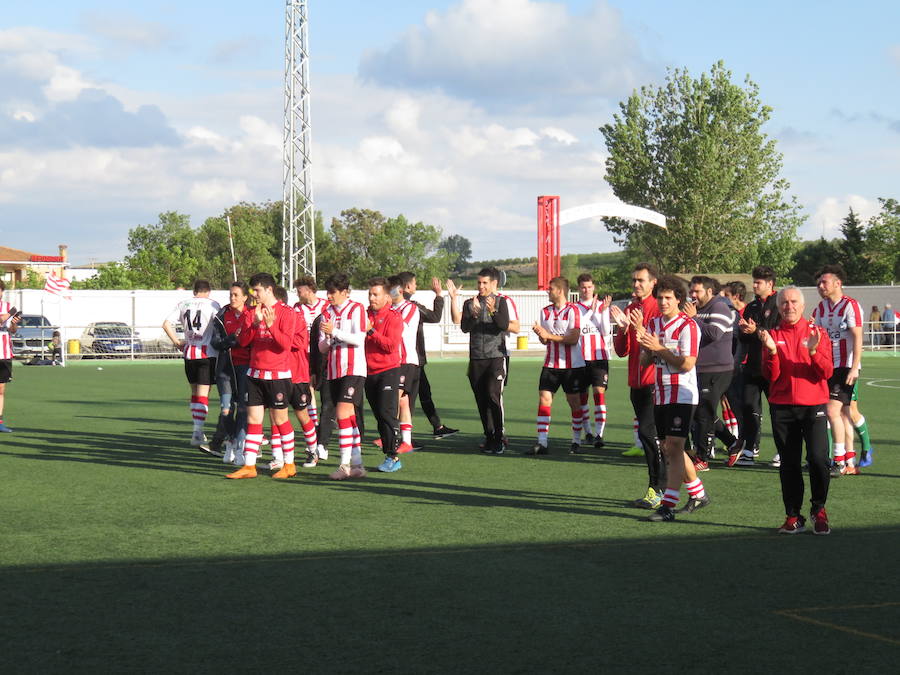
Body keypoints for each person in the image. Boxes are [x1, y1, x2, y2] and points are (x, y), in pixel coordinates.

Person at [759, 286, 834, 534]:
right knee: (789, 464)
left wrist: (813, 351)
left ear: (802, 306)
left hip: (813, 407)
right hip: (782, 408)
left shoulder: (817, 332)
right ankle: (793, 515)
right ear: (778, 307)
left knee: (819, 459)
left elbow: (826, 372)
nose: (789, 306)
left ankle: (818, 509)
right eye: (784, 303)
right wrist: (771, 351)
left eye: (793, 302)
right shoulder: (772, 335)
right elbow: (771, 375)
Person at [636, 275, 707, 522]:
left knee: (674, 448)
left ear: (679, 299)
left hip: (683, 395)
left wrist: (658, 348)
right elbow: (646, 361)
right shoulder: (653, 324)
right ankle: (698, 494)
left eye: (668, 298)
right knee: (670, 447)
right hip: (660, 393)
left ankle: (668, 505)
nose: (663, 302)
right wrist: (645, 347)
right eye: (660, 297)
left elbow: (687, 364)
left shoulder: (688, 326)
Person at [225, 274, 297, 479]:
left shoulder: (287, 313)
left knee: (280, 418)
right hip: (254, 373)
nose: (253, 295)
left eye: (257, 291)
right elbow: (244, 341)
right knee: (253, 418)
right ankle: (249, 466)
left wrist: (271, 325)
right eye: (252, 291)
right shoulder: (252, 313)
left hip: (278, 375)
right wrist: (255, 324)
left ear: (269, 290)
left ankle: (289, 464)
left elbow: (285, 345)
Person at [609, 263, 664, 509]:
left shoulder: (657, 309)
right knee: (651, 436)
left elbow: (654, 346)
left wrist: (639, 327)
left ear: (653, 283)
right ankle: (675, 488)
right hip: (636, 382)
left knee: (649, 434)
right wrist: (621, 329)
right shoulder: (631, 308)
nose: (636, 284)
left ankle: (658, 489)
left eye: (641, 280)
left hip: (655, 382)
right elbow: (622, 351)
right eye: (634, 280)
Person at [451, 267, 513, 454]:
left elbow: (503, 325)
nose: (481, 286)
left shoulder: (501, 302)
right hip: (476, 357)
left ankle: (499, 438)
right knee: (481, 400)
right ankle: (488, 435)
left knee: (494, 397)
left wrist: (493, 311)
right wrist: (475, 315)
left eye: (485, 283)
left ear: (493, 283)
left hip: (495, 357)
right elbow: (464, 327)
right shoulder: (470, 303)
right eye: (479, 282)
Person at [812, 265, 864, 476]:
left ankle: (839, 461)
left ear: (837, 283)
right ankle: (848, 461)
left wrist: (854, 367)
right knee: (841, 414)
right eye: (819, 283)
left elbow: (858, 337)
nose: (820, 286)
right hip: (826, 366)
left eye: (824, 282)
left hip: (844, 367)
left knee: (832, 411)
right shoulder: (820, 308)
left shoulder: (850, 306)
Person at [529, 276, 587, 455]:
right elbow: (545, 341)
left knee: (574, 403)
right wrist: (540, 334)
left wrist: (549, 335)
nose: (548, 291)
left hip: (573, 366)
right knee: (544, 399)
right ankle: (542, 442)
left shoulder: (573, 311)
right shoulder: (544, 312)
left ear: (560, 291)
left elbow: (573, 338)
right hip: (550, 364)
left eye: (551, 288)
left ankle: (576, 441)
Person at [683, 275, 736, 470]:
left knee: (704, 412)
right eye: (691, 291)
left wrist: (694, 318)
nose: (693, 295)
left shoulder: (719, 307)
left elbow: (714, 334)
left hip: (718, 369)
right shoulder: (696, 310)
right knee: (699, 412)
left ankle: (702, 458)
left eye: (697, 291)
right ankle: (733, 442)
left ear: (709, 291)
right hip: (698, 368)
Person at [318, 273, 368, 480]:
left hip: (353, 368)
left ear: (344, 292)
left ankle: (344, 465)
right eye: (327, 292)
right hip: (334, 369)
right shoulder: (326, 313)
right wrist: (329, 338)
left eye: (333, 292)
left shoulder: (357, 309)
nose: (329, 296)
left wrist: (335, 332)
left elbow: (359, 339)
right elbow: (322, 347)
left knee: (342, 412)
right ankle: (357, 465)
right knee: (348, 417)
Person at [398, 272, 458, 440]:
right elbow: (434, 317)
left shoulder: (395, 305)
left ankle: (437, 426)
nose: (416, 286)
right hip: (411, 359)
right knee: (408, 398)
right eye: (415, 283)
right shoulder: (410, 306)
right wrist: (438, 295)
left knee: (424, 392)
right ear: (408, 286)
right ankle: (402, 437)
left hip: (410, 358)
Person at [162, 280, 221, 449]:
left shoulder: (183, 304)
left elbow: (166, 324)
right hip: (207, 353)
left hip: (189, 353)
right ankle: (198, 431)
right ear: (208, 291)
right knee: (203, 394)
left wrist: (176, 342)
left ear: (194, 291)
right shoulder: (213, 304)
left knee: (195, 393)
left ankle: (197, 430)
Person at [731, 266, 780, 467]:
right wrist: (744, 331)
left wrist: (756, 329)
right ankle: (750, 450)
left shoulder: (780, 303)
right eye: (755, 281)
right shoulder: (751, 307)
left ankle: (782, 451)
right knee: (750, 408)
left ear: (770, 284)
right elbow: (745, 337)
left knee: (778, 411)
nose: (755, 285)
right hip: (752, 366)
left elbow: (776, 333)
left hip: (773, 365)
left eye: (758, 282)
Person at [364, 277, 406, 472]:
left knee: (386, 413)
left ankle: (393, 456)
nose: (372, 298)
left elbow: (391, 346)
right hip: (367, 372)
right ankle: (389, 453)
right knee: (379, 415)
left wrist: (371, 331)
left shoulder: (394, 317)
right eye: (370, 294)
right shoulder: (363, 314)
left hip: (388, 371)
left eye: (376, 294)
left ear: (387, 297)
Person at [210, 282, 251, 465]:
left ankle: (241, 449)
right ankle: (231, 442)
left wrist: (240, 340)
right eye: (231, 295)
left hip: (245, 368)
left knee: (243, 409)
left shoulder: (251, 315)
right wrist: (233, 339)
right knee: (226, 409)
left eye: (236, 295)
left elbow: (251, 341)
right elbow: (216, 343)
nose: (233, 298)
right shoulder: (222, 315)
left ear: (245, 297)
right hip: (225, 370)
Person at [574, 273, 613, 448]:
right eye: (583, 287)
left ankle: (599, 434)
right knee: (583, 397)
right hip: (580, 359)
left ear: (594, 287)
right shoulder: (574, 308)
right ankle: (588, 431)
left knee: (599, 393)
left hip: (599, 358)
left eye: (589, 287)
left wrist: (604, 312)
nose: (586, 290)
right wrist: (592, 312)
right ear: (578, 289)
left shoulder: (602, 306)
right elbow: (579, 327)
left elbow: (605, 331)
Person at [389, 274, 421, 455]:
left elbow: (400, 330)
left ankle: (391, 435)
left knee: (394, 398)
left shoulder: (409, 308)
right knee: (402, 401)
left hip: (406, 360)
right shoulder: (391, 309)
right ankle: (406, 441)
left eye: (390, 289)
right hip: (394, 360)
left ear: (399, 290)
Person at [293, 276, 328, 433]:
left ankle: (328, 419)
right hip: (305, 353)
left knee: (327, 389)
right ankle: (314, 423)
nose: (298, 294)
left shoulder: (326, 306)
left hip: (324, 353)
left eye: (299, 291)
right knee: (309, 385)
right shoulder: (297, 308)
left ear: (308, 290)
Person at [0, 281, 21, 432]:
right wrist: (8, 315)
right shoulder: (9, 310)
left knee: (1, 390)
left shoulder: (7, 307)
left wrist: (14, 322)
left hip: (4, 353)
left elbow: (12, 330)